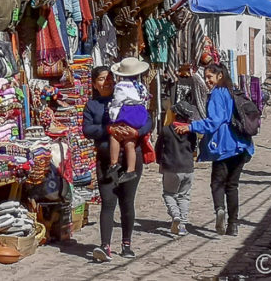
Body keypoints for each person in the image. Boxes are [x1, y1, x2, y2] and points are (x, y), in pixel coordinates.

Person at [83, 64, 152, 262]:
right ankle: (105, 246)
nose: (107, 82)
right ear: (95, 84)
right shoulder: (92, 106)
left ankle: (127, 244)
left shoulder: (128, 95)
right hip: (106, 160)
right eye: (102, 79)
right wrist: (109, 130)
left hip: (131, 157)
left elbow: (147, 120)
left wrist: (136, 132)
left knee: (127, 201)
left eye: (109, 78)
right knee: (108, 202)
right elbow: (87, 129)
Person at [175, 63, 253, 236]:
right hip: (240, 144)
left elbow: (215, 121)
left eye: (210, 77)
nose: (208, 80)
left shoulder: (218, 94)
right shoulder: (233, 91)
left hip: (224, 146)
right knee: (232, 186)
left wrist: (191, 127)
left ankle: (219, 210)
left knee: (217, 183)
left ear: (219, 76)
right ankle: (233, 225)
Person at [106, 58, 152, 184]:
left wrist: (113, 116)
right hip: (140, 114)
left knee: (115, 136)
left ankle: (114, 163)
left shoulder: (121, 86)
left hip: (128, 113)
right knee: (130, 142)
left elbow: (117, 101)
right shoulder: (141, 85)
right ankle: (130, 170)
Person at [156, 100, 197, 236]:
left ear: (175, 114)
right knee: (184, 196)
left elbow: (158, 147)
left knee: (169, 194)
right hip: (188, 169)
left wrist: (159, 161)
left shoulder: (166, 130)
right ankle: (183, 225)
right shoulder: (191, 132)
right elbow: (193, 148)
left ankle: (175, 215)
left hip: (171, 168)